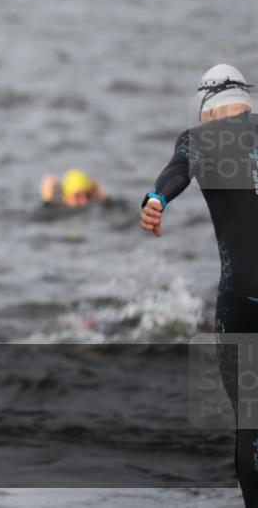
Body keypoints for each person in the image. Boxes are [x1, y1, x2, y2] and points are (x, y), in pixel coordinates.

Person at [139, 63, 257, 507]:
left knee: (251, 421)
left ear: (205, 111)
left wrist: (155, 200)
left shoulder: (199, 140)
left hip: (242, 299)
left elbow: (174, 174)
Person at [39, 169, 105, 208]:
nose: (84, 201)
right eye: (77, 196)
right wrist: (47, 201)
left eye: (87, 195)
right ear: (65, 198)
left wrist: (101, 198)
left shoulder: (94, 208)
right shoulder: (57, 213)